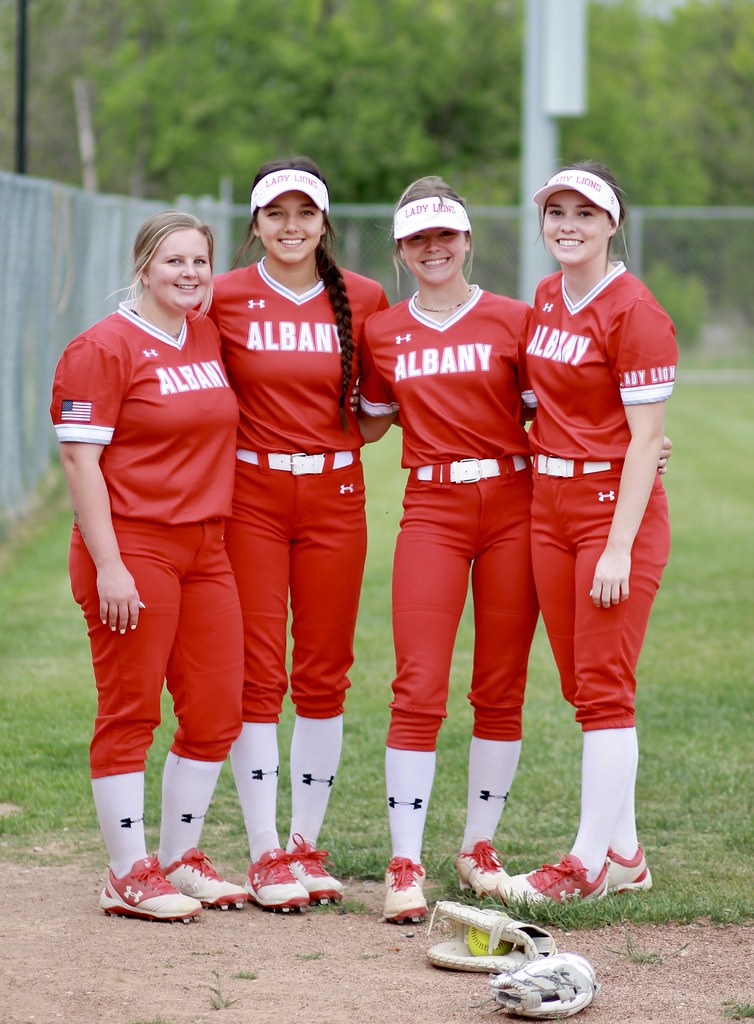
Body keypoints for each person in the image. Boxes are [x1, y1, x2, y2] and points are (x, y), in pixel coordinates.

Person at [50, 211, 247, 922]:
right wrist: (109, 565)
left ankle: (177, 858)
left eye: (200, 262)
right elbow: (80, 459)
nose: (189, 274)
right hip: (133, 547)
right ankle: (126, 872)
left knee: (219, 708)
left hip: (206, 546)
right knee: (130, 709)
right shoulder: (101, 346)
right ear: (143, 266)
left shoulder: (203, 331)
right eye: (173, 262)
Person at [357, 177, 541, 924]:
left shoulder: (514, 319)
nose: (434, 248)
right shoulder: (383, 331)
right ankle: (405, 860)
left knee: (500, 684)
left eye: (447, 235)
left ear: (468, 241)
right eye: (418, 239)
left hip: (513, 503)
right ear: (401, 251)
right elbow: (366, 423)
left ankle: (478, 849)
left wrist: (641, 448)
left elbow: (563, 410)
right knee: (418, 683)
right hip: (431, 505)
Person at [209, 157, 389, 911]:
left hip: (335, 492)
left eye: (303, 213)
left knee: (323, 671)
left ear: (324, 222)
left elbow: (385, 411)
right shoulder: (221, 297)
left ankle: (305, 843)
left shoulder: (367, 298)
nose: (290, 227)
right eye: (275, 214)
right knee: (256, 670)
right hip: (250, 492)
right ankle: (262, 851)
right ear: (255, 225)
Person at [499, 162, 678, 903]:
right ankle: (626, 853)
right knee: (583, 686)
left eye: (584, 212)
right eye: (556, 212)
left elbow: (645, 440)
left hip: (612, 512)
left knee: (605, 689)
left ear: (612, 224)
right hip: (550, 506)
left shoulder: (635, 310)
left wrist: (617, 546)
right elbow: (543, 403)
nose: (567, 224)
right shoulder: (547, 295)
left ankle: (587, 866)